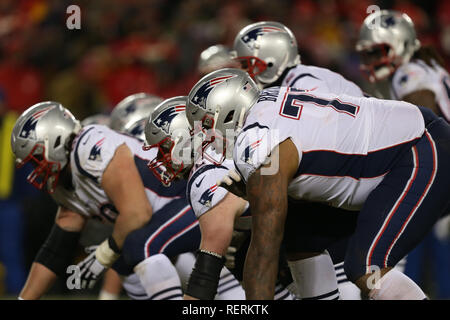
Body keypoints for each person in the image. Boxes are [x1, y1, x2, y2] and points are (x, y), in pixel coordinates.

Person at [186, 68, 450, 299]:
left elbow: (265, 246)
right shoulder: (270, 101)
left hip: (416, 148)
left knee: (367, 267)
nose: (206, 138)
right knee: (299, 237)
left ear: (229, 111)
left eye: (205, 125)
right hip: (401, 151)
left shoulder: (255, 140)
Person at [12, 101, 201, 300]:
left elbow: (137, 214)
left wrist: (103, 255)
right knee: (125, 260)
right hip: (171, 216)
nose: (36, 168)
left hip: (193, 198)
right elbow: (55, 251)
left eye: (37, 158)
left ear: (54, 141)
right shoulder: (66, 182)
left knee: (135, 247)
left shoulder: (90, 147)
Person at [231, 20, 365, 298]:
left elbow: (322, 142)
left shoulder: (303, 83)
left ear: (271, 59)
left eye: (249, 63)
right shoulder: (290, 84)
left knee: (273, 246)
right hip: (345, 177)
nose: (245, 73)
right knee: (264, 249)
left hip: (354, 177)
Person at [143, 95, 296, 300]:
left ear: (185, 138)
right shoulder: (222, 147)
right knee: (246, 261)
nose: (161, 159)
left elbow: (206, 274)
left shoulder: (205, 176)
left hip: (306, 215)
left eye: (164, 148)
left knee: (251, 265)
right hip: (309, 204)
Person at [356, 9, 450, 298]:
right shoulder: (428, 68)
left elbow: (424, 127)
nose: (373, 61)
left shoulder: (409, 74)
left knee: (404, 247)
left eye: (380, 51)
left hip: (442, 169)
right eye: (369, 54)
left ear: (402, 44)